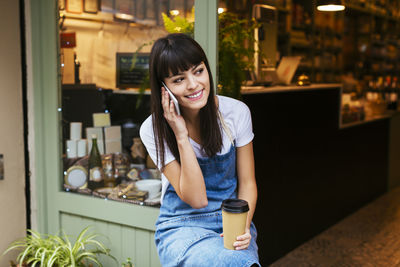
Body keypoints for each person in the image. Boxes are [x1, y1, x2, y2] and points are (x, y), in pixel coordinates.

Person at [140, 33, 260, 267]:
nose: (194, 84)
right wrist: (181, 135)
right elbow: (197, 199)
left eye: (198, 71)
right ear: (163, 88)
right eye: (178, 79)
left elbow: (248, 183)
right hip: (182, 225)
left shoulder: (236, 112)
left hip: (232, 221)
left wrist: (244, 225)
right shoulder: (152, 129)